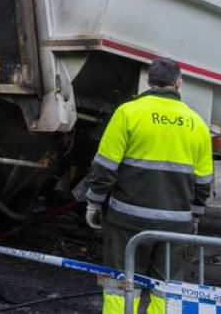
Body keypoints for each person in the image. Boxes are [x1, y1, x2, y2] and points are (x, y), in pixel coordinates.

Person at [84, 57, 213, 314]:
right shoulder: (196, 122)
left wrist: (94, 201)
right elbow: (203, 181)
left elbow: (105, 166)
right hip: (175, 225)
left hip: (128, 221)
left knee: (120, 284)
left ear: (148, 80)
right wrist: (196, 215)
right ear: (179, 83)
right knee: (165, 288)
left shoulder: (128, 113)